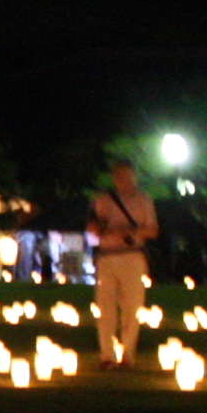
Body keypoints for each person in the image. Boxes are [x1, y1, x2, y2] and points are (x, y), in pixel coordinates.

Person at [87, 158, 159, 369]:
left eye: (127, 176)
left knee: (132, 307)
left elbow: (153, 230)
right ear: (114, 178)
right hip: (107, 256)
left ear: (134, 176)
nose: (123, 180)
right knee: (105, 307)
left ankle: (127, 355)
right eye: (119, 176)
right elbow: (93, 230)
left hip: (132, 255)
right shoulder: (103, 200)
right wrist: (97, 228)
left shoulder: (144, 200)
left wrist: (129, 232)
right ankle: (107, 356)